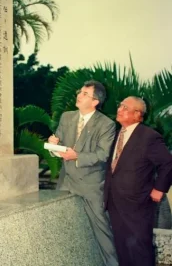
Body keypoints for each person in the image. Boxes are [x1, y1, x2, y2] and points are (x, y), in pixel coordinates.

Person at [48, 80, 118, 266]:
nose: (79, 95)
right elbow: (59, 145)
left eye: (85, 93)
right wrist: (53, 145)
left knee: (101, 230)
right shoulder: (67, 117)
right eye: (80, 91)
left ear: (95, 101)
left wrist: (76, 155)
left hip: (91, 184)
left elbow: (103, 155)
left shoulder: (106, 124)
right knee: (57, 225)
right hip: (66, 181)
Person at [104, 96, 172, 266]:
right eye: (120, 105)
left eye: (125, 107)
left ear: (137, 113)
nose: (120, 109)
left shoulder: (149, 136)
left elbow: (167, 163)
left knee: (139, 248)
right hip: (115, 200)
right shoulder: (117, 134)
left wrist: (159, 189)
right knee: (122, 247)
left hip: (137, 203)